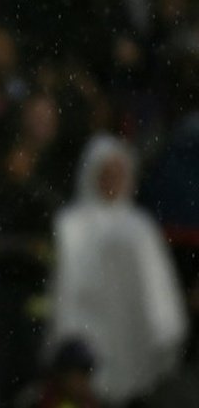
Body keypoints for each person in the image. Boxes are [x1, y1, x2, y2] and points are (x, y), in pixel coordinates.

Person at [50, 133, 188, 407]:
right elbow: (64, 291)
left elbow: (157, 290)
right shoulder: (71, 225)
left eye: (118, 174)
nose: (112, 181)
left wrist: (164, 330)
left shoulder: (141, 227)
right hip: (85, 343)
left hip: (131, 341)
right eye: (106, 173)